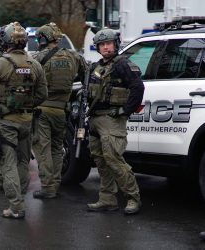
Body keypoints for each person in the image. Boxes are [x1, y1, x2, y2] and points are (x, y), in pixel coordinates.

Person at [0, 21, 48, 219]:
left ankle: (16, 207)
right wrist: (27, 105)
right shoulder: (35, 64)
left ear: (5, 41)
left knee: (8, 164)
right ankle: (19, 201)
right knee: (23, 162)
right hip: (27, 121)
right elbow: (43, 94)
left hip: (6, 123)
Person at [86, 28, 145, 215]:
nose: (106, 47)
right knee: (101, 161)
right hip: (95, 119)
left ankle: (133, 198)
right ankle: (107, 199)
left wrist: (125, 111)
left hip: (112, 119)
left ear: (115, 44)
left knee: (114, 160)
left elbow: (138, 88)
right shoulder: (96, 67)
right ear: (97, 47)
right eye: (102, 45)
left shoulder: (123, 65)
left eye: (109, 43)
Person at [31, 22, 87, 199]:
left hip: (42, 110)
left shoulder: (37, 58)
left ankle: (48, 187)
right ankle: (55, 184)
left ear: (42, 39)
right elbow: (86, 74)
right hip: (62, 111)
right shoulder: (73, 56)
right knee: (57, 148)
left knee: (43, 149)